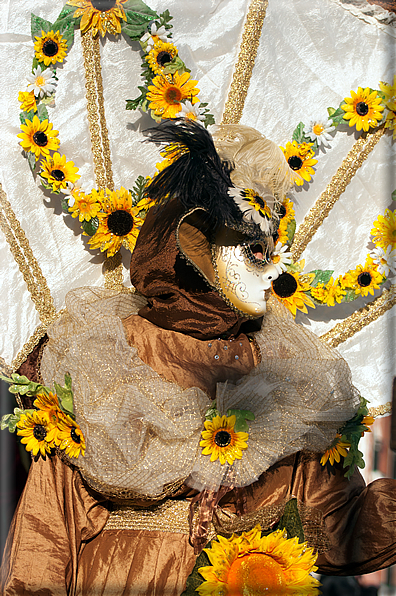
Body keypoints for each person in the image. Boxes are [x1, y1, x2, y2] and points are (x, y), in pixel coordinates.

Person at [1, 121, 395, 596]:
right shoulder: (101, 357)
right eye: (252, 248)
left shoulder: (286, 376)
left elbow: (341, 532)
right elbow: (44, 540)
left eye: (270, 250)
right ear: (191, 245)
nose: (270, 269)